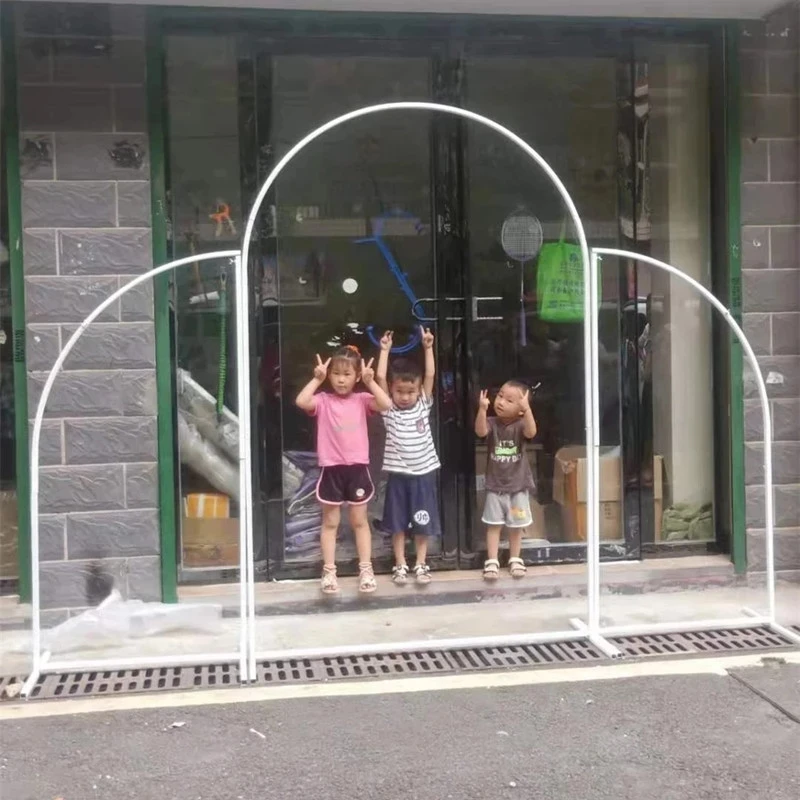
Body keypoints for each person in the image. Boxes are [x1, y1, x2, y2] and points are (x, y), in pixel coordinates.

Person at [295, 346, 392, 595]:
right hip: (331, 469)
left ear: (356, 376)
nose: (340, 379)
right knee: (330, 522)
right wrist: (316, 379)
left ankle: (366, 570)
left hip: (357, 469)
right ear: (329, 375)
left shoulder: (362, 400)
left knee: (359, 521)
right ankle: (329, 571)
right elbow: (301, 401)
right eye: (336, 373)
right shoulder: (323, 401)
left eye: (347, 374)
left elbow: (386, 404)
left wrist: (370, 382)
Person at [376, 327, 441, 586]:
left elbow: (430, 374)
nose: (405, 397)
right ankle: (400, 563)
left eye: (410, 391)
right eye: (399, 391)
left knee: (423, 522)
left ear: (418, 390)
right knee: (398, 523)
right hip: (398, 477)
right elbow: (380, 377)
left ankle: (421, 563)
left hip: (423, 475)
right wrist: (384, 350)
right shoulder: (388, 408)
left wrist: (428, 348)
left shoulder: (424, 403)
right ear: (392, 391)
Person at [474, 381, 537, 581]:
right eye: (500, 396)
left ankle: (515, 559)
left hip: (518, 487)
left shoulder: (521, 424)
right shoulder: (492, 422)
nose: (501, 402)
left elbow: (531, 432)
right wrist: (482, 410)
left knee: (516, 526)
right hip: (495, 487)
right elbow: (480, 431)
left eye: (509, 400)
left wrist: (527, 411)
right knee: (493, 525)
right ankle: (492, 560)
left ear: (520, 409)